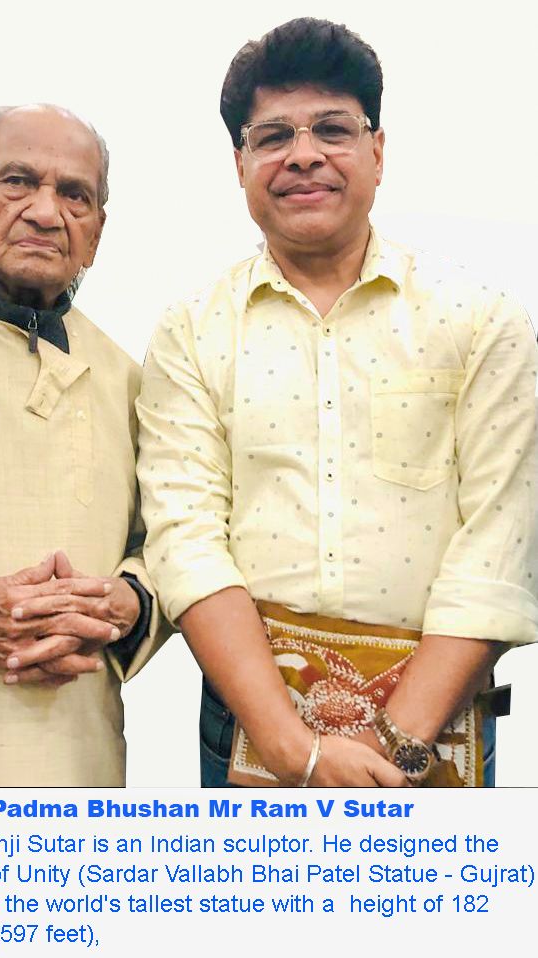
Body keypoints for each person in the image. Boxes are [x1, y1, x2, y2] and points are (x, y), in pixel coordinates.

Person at [136, 18, 537, 787]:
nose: (303, 154)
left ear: (376, 152)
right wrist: (292, 747)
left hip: (440, 718)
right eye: (272, 136)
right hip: (248, 724)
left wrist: (394, 742)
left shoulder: (479, 319)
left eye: (331, 129)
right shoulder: (190, 330)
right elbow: (186, 538)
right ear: (240, 164)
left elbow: (499, 543)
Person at [0, 103, 164, 786]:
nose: (46, 213)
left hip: (81, 772)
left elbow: (168, 548)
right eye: (18, 181)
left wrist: (131, 603)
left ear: (96, 234)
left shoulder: (130, 382)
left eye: (75, 195)